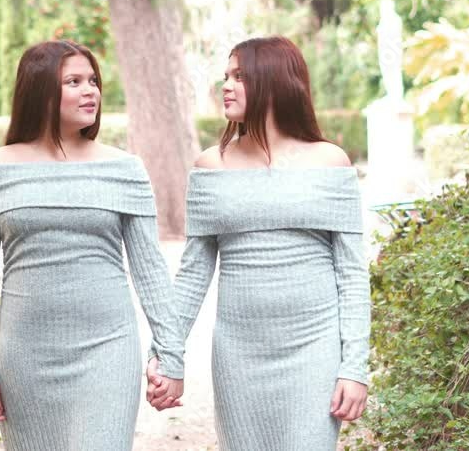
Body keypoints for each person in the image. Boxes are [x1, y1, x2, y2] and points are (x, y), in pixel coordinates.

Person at [147, 36, 370, 450]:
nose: (226, 86)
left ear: (275, 83)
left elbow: (353, 275)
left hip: (314, 350)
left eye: (240, 76)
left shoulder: (330, 162)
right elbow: (193, 273)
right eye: (226, 76)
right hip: (238, 354)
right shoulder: (211, 167)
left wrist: (354, 368)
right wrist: (166, 352)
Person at [0, 39, 185, 450]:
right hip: (23, 359)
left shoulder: (124, 169)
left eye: (94, 81)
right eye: (74, 81)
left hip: (107, 352)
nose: (91, 91)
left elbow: (150, 269)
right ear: (39, 91)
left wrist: (170, 354)